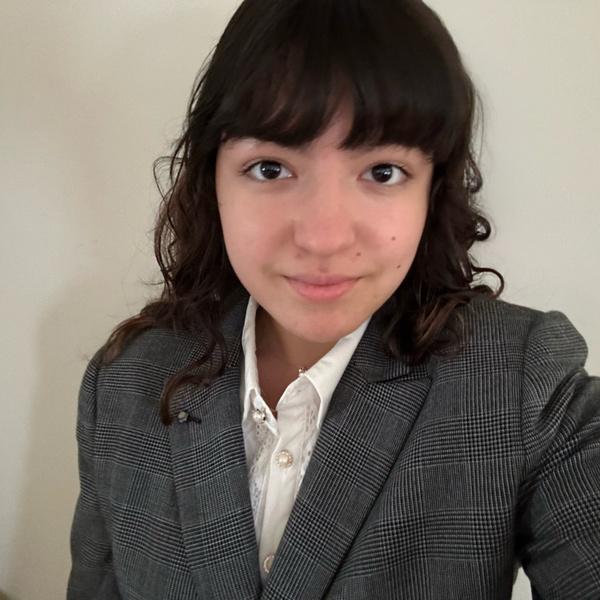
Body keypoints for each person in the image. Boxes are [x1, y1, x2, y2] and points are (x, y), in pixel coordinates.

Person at [67, 0, 600, 598]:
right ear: (211, 179)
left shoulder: (523, 384)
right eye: (270, 168)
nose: (323, 238)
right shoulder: (124, 383)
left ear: (433, 191)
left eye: (382, 172)